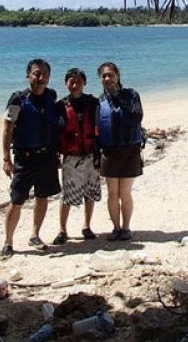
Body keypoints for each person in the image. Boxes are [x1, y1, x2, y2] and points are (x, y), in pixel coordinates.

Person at [0, 58, 61, 257]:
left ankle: (35, 235)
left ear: (49, 77)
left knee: (43, 197)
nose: (40, 77)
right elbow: (7, 129)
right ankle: (8, 242)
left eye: (44, 74)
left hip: (47, 157)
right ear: (28, 76)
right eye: (36, 73)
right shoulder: (18, 99)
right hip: (25, 159)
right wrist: (6, 159)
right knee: (16, 200)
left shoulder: (52, 96)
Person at [52, 68, 101, 245]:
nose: (75, 85)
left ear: (84, 83)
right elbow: (55, 132)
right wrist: (55, 154)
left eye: (78, 81)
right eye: (71, 81)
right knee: (67, 195)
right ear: (66, 83)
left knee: (90, 192)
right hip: (71, 157)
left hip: (90, 154)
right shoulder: (60, 106)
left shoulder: (93, 102)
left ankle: (86, 226)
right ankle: (62, 229)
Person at [96, 61, 144, 241]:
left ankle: (126, 227)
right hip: (109, 151)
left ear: (118, 75)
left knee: (125, 192)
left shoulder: (131, 95)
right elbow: (97, 129)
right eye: (104, 76)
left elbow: (137, 117)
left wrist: (119, 97)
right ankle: (115, 227)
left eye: (110, 74)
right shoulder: (100, 101)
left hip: (129, 149)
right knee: (112, 193)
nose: (107, 78)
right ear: (100, 79)